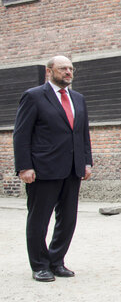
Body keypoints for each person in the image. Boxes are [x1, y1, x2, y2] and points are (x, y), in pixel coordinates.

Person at [13, 55, 93, 282]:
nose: (68, 72)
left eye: (70, 68)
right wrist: (24, 166)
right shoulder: (34, 97)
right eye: (62, 69)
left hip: (72, 169)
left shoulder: (78, 99)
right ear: (49, 71)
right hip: (43, 169)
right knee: (39, 219)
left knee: (68, 219)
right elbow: (21, 135)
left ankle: (56, 261)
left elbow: (82, 134)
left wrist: (86, 162)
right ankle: (39, 265)